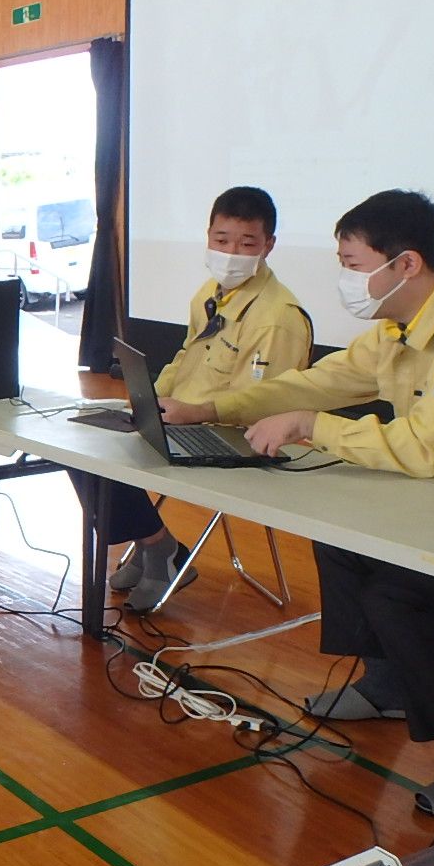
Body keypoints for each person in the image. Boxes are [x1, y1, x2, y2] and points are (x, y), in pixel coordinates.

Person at [161, 190, 434, 818]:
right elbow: (321, 381)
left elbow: (426, 448)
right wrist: (209, 408)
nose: (345, 278)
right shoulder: (401, 325)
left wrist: (312, 425)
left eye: (352, 264)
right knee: (340, 534)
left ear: (406, 264)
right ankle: (387, 684)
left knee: (400, 594)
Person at [108, 186, 313, 611]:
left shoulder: (279, 318)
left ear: (269, 245)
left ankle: (158, 548)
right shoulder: (210, 292)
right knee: (91, 449)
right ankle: (154, 544)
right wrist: (150, 401)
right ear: (208, 237)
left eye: (247, 243)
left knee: (108, 459)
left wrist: (194, 413)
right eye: (222, 240)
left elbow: (268, 405)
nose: (231, 252)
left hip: (236, 440)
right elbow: (186, 355)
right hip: (185, 421)